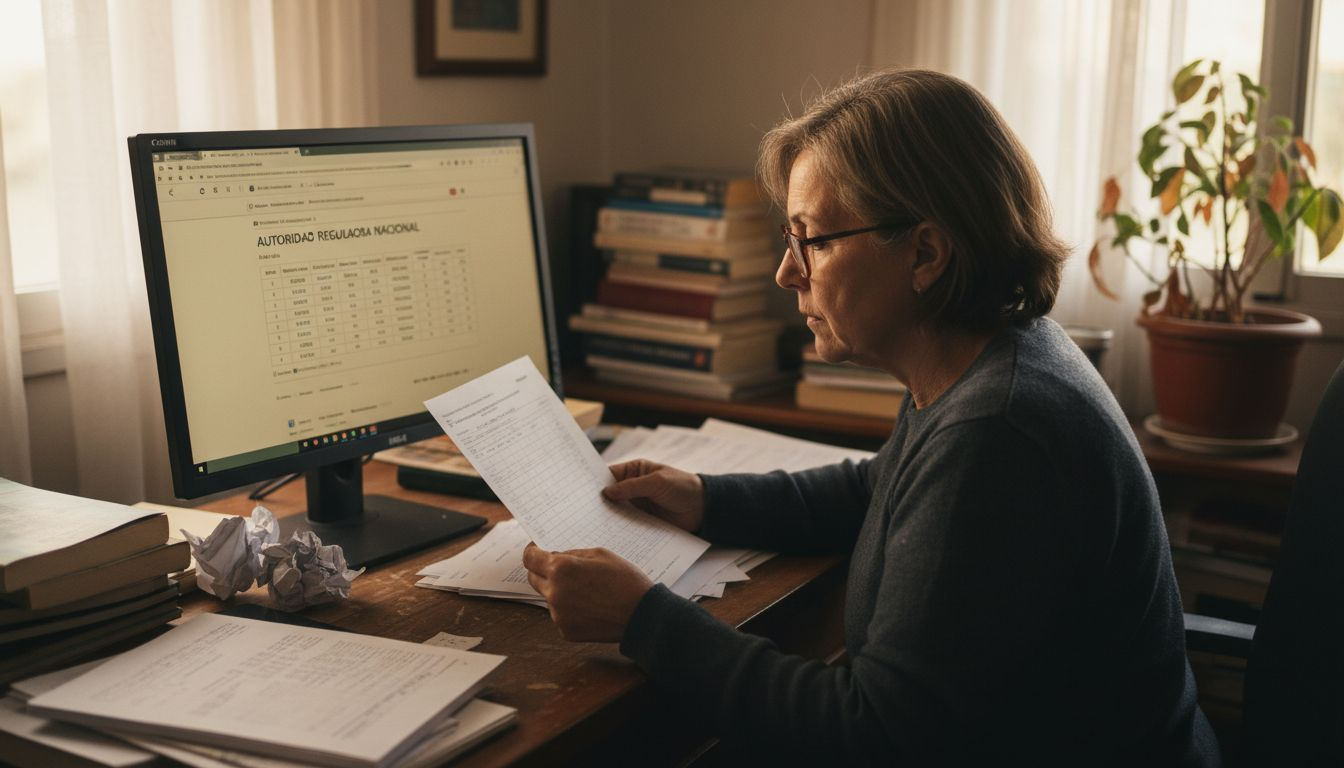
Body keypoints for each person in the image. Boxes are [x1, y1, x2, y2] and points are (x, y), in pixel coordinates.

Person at [522, 69, 1220, 765]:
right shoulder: (989, 356)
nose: (787, 272)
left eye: (813, 240)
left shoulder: (995, 433)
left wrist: (644, 620)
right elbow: (878, 490)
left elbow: (870, 735)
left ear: (924, 253)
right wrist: (706, 499)